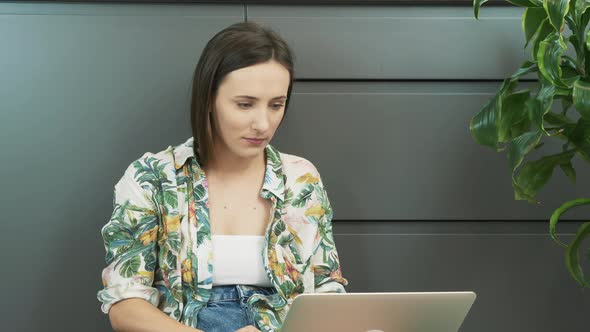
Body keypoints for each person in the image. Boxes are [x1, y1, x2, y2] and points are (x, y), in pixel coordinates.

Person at [97, 21, 348, 332]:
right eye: (245, 104)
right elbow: (126, 305)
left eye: (276, 105)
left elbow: (328, 291)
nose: (263, 123)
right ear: (209, 100)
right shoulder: (153, 178)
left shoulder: (301, 179)